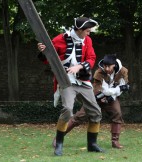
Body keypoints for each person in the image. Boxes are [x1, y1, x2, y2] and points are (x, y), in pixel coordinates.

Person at [37, 17, 104, 156]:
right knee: (67, 109)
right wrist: (43, 51)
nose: (89, 33)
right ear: (79, 29)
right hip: (66, 80)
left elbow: (91, 58)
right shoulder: (59, 39)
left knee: (96, 112)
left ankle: (92, 145)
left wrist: (79, 66)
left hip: (83, 81)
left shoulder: (88, 40)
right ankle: (59, 144)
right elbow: (47, 58)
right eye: (87, 30)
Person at [52, 54, 129, 149]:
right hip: (96, 97)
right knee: (79, 117)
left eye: (109, 66)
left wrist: (113, 95)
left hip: (112, 98)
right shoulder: (99, 72)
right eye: (105, 66)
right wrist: (116, 90)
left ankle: (115, 141)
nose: (107, 68)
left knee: (117, 114)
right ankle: (58, 138)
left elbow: (123, 87)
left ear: (114, 65)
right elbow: (102, 90)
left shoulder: (123, 71)